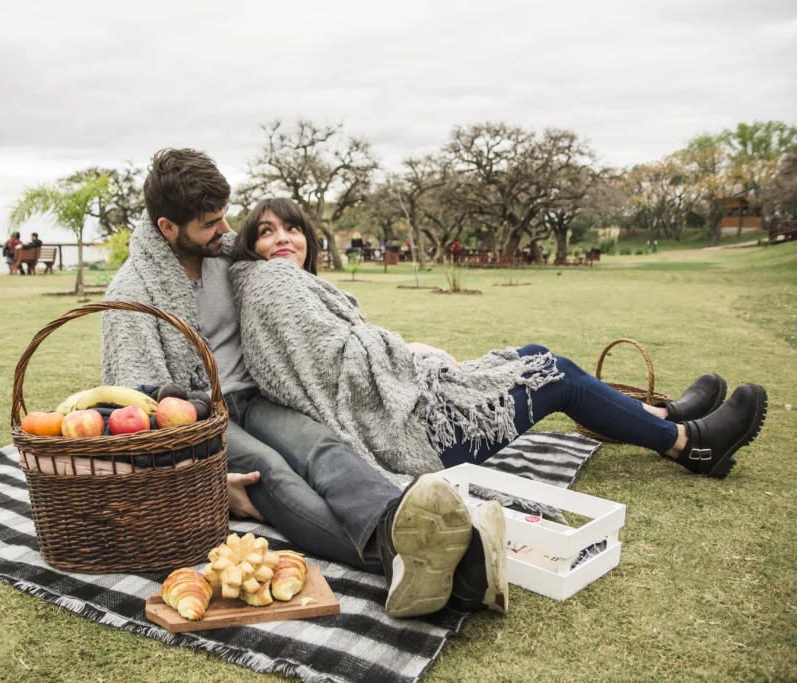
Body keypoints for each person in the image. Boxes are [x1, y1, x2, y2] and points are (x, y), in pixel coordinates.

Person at [100, 149, 498, 618]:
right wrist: (200, 474)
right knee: (269, 471)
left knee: (323, 448)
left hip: (259, 396)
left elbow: (297, 294)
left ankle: (399, 522)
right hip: (201, 416)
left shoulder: (230, 257)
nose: (226, 232)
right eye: (210, 223)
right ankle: (398, 555)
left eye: (225, 217)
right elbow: (132, 404)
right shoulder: (131, 294)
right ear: (169, 228)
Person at [230, 198, 768, 482]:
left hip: (415, 408)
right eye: (267, 230)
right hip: (419, 437)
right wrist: (408, 355)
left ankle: (665, 417)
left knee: (534, 357)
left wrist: (409, 358)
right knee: (553, 373)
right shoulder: (275, 286)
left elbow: (341, 353)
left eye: (292, 227)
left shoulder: (297, 287)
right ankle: (689, 444)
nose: (282, 239)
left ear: (308, 236)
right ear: (252, 243)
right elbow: (335, 369)